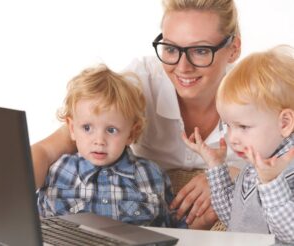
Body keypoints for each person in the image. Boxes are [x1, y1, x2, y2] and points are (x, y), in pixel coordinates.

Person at [31, 0, 242, 229]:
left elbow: (283, 167)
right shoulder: (140, 82)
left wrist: (229, 174)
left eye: (200, 51)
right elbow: (49, 148)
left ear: (234, 49)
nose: (182, 67)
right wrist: (11, 195)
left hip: (214, 217)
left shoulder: (254, 94)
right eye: (170, 49)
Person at [37, 64, 187, 228]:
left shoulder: (150, 174)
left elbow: (173, 228)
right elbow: (35, 223)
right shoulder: (57, 171)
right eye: (87, 128)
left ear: (131, 133)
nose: (99, 140)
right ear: (72, 128)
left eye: (111, 130)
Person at [183, 45, 294, 244]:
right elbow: (233, 218)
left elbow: (289, 232)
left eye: (243, 126)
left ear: (284, 123)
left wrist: (271, 183)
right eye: (227, 125)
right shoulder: (254, 167)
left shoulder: (286, 171)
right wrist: (217, 167)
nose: (232, 137)